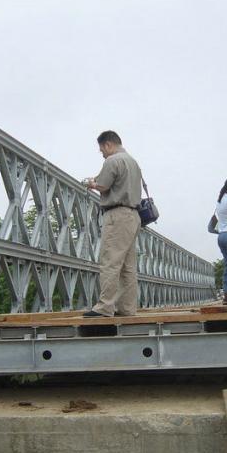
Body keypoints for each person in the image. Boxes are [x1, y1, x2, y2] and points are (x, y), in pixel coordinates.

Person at [82, 131, 142, 317]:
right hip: (133, 215)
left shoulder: (113, 160)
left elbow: (103, 184)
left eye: (102, 150)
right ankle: (127, 308)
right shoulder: (133, 162)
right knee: (128, 266)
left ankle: (105, 307)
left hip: (117, 214)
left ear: (108, 144)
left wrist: (90, 182)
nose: (103, 154)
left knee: (110, 261)